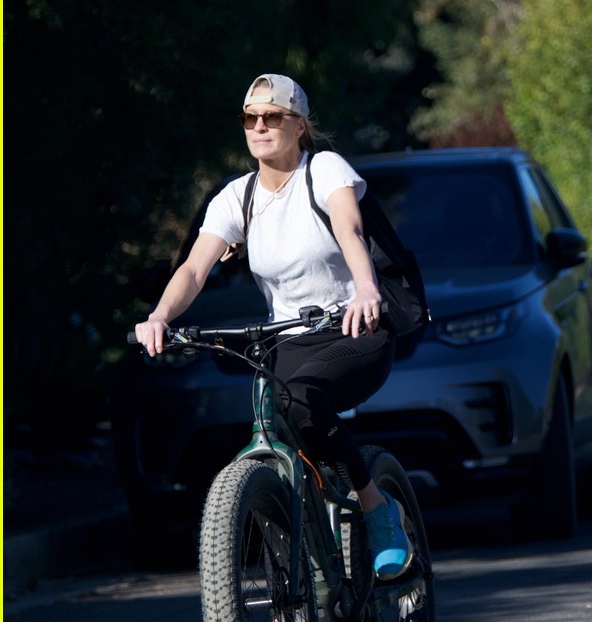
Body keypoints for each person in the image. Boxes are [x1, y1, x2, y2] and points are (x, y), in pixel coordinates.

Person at [133, 73, 411, 585]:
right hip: (285, 338)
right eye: (250, 118)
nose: (259, 126)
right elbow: (194, 270)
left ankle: (375, 507)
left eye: (272, 117)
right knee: (274, 441)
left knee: (300, 399)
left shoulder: (324, 170)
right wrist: (159, 317)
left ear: (299, 125)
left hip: (353, 326)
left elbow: (350, 227)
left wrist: (367, 289)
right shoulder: (236, 198)